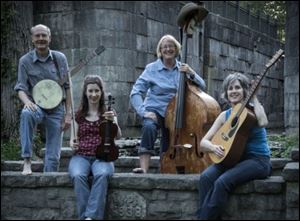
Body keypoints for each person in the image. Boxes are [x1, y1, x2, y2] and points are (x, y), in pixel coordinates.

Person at [197, 72, 272, 220]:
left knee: (222, 182)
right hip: (232, 160)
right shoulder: (224, 115)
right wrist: (213, 148)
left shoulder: (253, 110)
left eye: (237, 87)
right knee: (205, 177)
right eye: (230, 88)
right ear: (226, 93)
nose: (233, 91)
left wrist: (255, 96)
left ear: (245, 90)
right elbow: (203, 143)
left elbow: (263, 122)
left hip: (258, 161)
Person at [130, 34, 206, 173]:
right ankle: (144, 169)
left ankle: (165, 169)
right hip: (156, 110)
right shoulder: (151, 68)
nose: (168, 49)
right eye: (164, 47)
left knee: (168, 144)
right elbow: (135, 92)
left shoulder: (183, 68)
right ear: (160, 50)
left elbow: (202, 86)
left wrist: (191, 72)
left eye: (171, 46)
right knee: (149, 127)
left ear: (176, 49)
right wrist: (143, 112)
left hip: (176, 115)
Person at [14, 24, 72, 175]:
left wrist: (68, 115)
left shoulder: (60, 58)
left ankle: (49, 186)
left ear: (49, 38)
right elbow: (20, 88)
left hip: (57, 110)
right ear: (32, 39)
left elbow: (67, 87)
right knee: (26, 113)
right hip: (37, 106)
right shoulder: (25, 61)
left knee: (53, 159)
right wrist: (27, 102)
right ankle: (27, 160)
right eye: (37, 36)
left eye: (44, 35)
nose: (41, 39)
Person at [68, 75, 121, 220]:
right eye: (90, 91)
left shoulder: (109, 112)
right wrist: (73, 143)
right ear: (85, 93)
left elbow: (119, 136)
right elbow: (72, 141)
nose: (93, 94)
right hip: (81, 156)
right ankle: (87, 217)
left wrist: (113, 121)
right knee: (78, 176)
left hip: (103, 156)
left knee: (102, 175)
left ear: (101, 92)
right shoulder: (78, 115)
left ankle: (90, 217)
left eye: (97, 91)